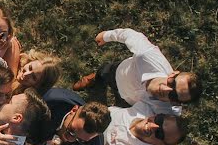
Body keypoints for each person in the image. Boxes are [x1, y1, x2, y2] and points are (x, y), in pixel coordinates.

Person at [73, 28, 202, 115]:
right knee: (103, 72)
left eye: (174, 96)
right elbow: (131, 35)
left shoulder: (166, 111)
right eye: (172, 83)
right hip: (118, 73)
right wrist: (106, 36)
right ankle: (93, 78)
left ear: (176, 103)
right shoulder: (147, 56)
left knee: (117, 109)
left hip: (128, 103)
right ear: (173, 73)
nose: (167, 90)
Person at [40, 89, 110, 145]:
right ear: (73, 110)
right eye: (71, 131)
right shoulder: (49, 103)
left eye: (81, 140)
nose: (70, 140)